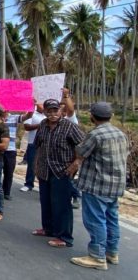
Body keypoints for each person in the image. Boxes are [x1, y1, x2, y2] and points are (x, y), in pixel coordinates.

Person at [68, 102, 129, 271]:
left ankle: (97, 256)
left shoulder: (95, 134)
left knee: (95, 220)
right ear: (111, 116)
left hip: (97, 184)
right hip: (115, 185)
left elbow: (81, 152)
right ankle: (112, 252)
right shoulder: (120, 133)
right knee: (112, 218)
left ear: (92, 117)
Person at [32, 99, 85, 248]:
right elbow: (38, 146)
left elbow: (82, 145)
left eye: (55, 111)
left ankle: (64, 237)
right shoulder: (43, 125)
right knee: (46, 201)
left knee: (62, 205)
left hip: (62, 171)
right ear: (45, 112)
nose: (53, 114)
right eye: (49, 111)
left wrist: (76, 162)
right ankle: (48, 229)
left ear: (60, 111)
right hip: (44, 169)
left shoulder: (69, 127)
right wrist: (35, 165)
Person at [2, 110, 32, 200]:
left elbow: (28, 116)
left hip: (10, 150)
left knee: (9, 172)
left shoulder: (14, 117)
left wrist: (31, 106)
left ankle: (6, 192)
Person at [21, 102, 45, 192]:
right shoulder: (31, 112)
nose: (43, 106)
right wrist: (41, 125)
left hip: (46, 144)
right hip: (33, 143)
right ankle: (28, 184)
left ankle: (43, 186)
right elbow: (26, 127)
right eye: (41, 104)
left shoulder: (48, 113)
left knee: (44, 165)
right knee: (32, 164)